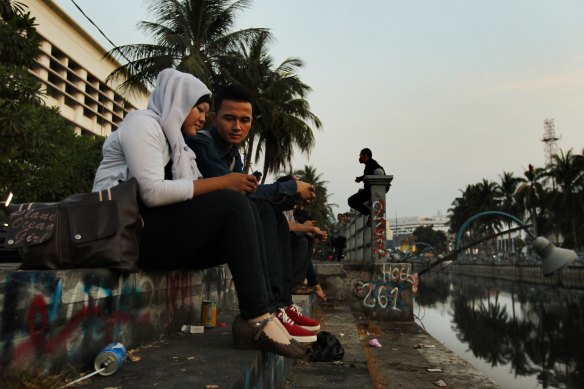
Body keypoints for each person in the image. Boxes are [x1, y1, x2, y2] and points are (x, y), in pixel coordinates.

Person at [92, 68, 305, 359]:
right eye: (199, 109)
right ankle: (255, 320)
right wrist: (225, 183)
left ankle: (268, 311)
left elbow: (194, 195)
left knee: (256, 210)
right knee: (235, 205)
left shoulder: (179, 146)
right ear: (178, 103)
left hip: (151, 235)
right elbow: (151, 193)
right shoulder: (143, 125)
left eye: (206, 111)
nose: (203, 118)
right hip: (123, 234)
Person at [187, 85, 321, 340]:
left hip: (222, 225)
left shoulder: (232, 155)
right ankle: (263, 311)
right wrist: (290, 186)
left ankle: (280, 305)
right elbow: (238, 193)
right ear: (214, 118)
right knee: (257, 208)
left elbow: (244, 193)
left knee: (275, 219)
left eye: (244, 120)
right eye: (230, 118)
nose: (237, 126)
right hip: (198, 229)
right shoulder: (201, 144)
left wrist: (289, 200)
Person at [347, 148, 386, 217]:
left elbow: (374, 174)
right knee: (352, 200)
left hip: (371, 191)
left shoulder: (372, 165)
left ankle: (369, 212)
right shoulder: (370, 165)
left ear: (365, 156)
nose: (359, 158)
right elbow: (367, 175)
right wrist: (360, 178)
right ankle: (369, 212)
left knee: (351, 201)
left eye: (360, 156)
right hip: (370, 191)